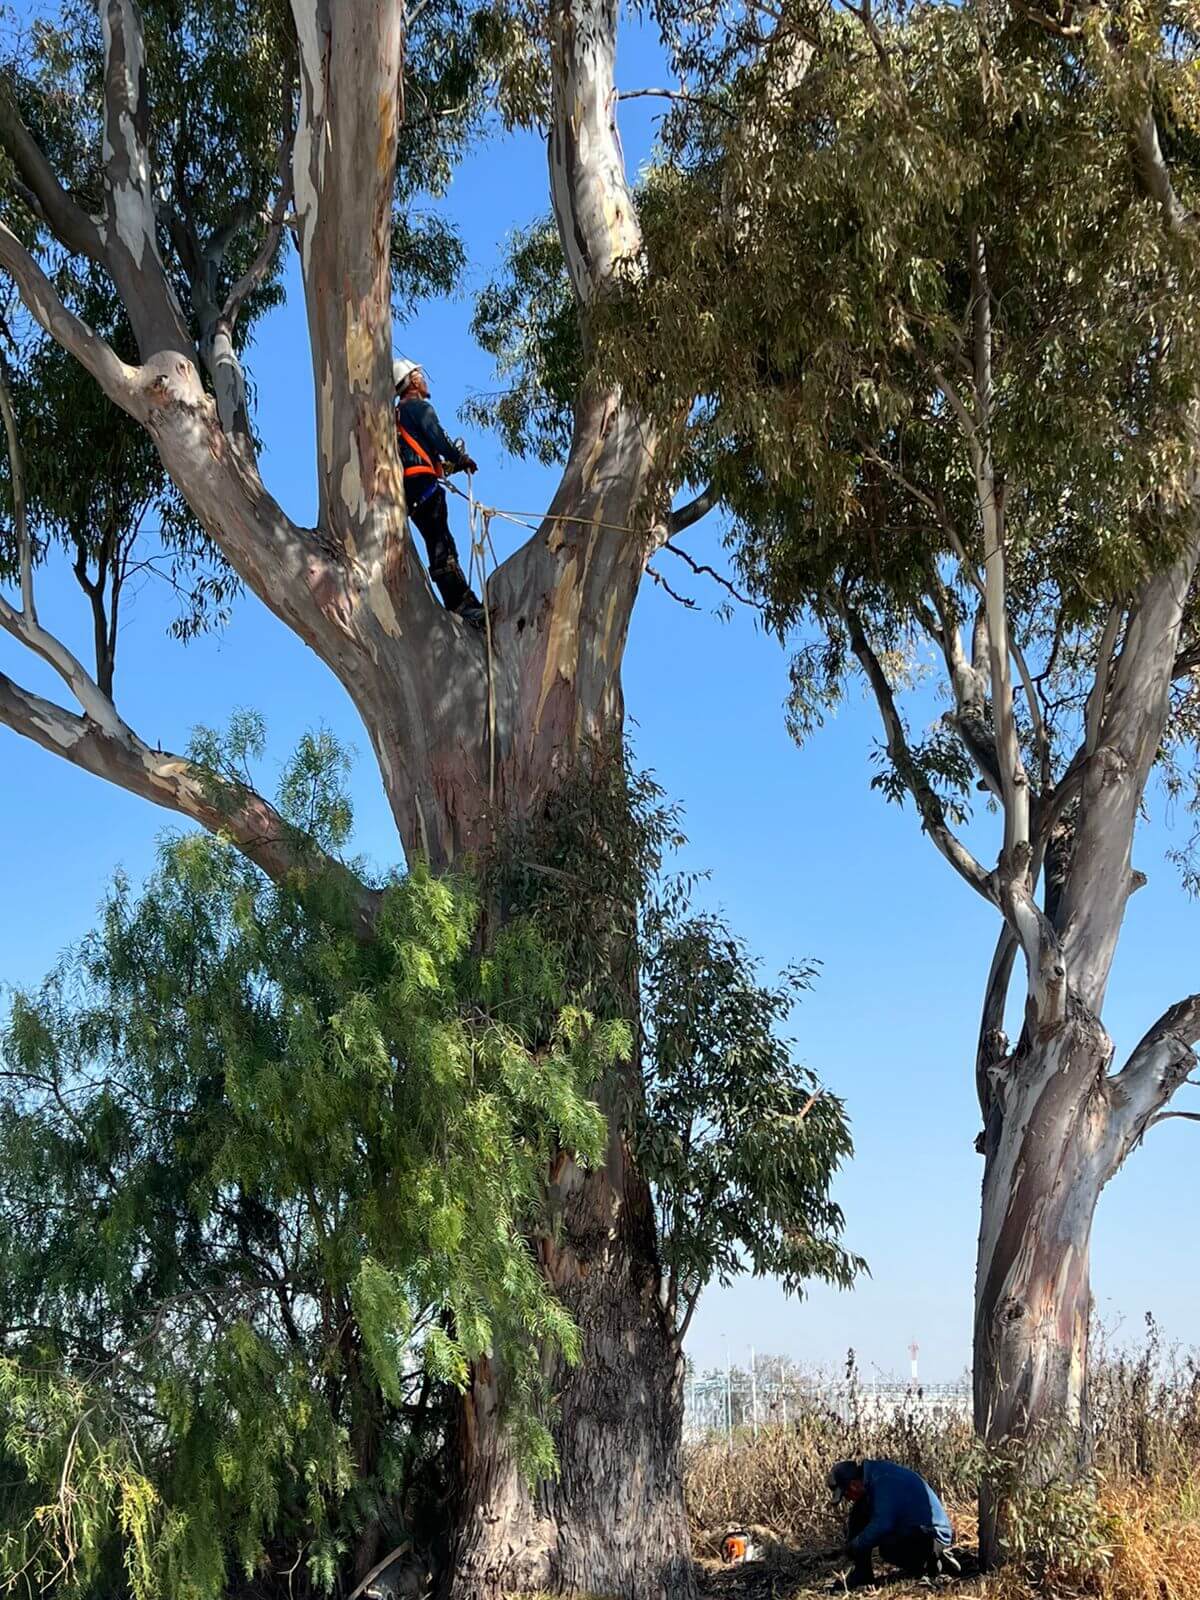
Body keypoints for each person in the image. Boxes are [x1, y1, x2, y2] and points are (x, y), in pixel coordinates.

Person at [393, 358, 485, 626]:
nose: (424, 378)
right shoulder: (419, 408)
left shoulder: (398, 416)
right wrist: (461, 458)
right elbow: (439, 440)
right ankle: (461, 604)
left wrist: (447, 466)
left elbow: (420, 452)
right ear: (412, 381)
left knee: (437, 541)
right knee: (442, 545)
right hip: (425, 487)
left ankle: (459, 601)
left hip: (411, 492)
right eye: (419, 374)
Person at [827, 1458, 959, 1589]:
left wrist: (856, 1545)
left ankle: (933, 1562)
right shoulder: (875, 1475)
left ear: (854, 1485)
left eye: (846, 1494)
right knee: (859, 1512)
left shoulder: (882, 1481)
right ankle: (863, 1574)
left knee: (889, 1549)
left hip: (932, 1535)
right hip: (915, 1529)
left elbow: (882, 1525)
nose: (848, 1499)